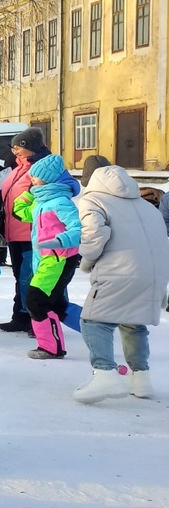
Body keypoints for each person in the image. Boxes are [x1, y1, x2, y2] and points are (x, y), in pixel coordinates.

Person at [71, 165, 169, 402]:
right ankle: (140, 378)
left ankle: (105, 374)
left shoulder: (93, 201)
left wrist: (86, 260)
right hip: (154, 272)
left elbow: (94, 237)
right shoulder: (147, 206)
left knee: (93, 321)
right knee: (133, 321)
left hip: (120, 270)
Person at [0, 127, 79, 333]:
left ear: (31, 148)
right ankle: (23, 315)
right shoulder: (18, 168)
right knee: (21, 277)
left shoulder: (45, 167)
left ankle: (43, 318)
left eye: (19, 147)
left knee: (39, 280)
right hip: (15, 230)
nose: (15, 151)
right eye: (13, 147)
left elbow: (69, 186)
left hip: (37, 232)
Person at [13, 153, 81, 359]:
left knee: (36, 301)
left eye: (35, 177)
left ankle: (50, 347)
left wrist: (59, 241)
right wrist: (30, 193)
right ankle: (96, 326)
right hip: (44, 260)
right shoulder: (41, 201)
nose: (31, 180)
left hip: (58, 259)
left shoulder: (61, 202)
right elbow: (19, 211)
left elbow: (77, 229)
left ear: (49, 178)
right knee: (57, 305)